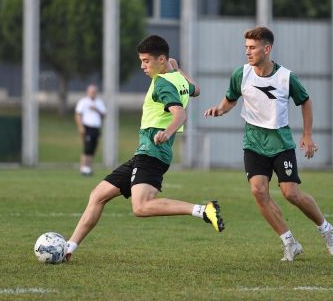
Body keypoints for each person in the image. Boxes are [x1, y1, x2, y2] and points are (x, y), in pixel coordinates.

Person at [64, 35, 224, 262]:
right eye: (141, 61)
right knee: (98, 195)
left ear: (161, 59)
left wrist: (166, 131)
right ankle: (68, 248)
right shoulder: (176, 79)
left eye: (146, 61)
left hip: (153, 153)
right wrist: (177, 69)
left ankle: (203, 210)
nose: (142, 66)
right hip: (144, 153)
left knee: (140, 207)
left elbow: (180, 114)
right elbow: (196, 90)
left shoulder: (162, 84)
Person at [203, 26, 333, 262]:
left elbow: (305, 101)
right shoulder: (241, 74)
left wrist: (307, 135)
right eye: (246, 47)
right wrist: (220, 109)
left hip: (281, 143)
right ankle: (289, 242)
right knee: (258, 190)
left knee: (291, 193)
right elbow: (231, 99)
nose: (247, 52)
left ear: (267, 49)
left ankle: (327, 231)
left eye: (252, 47)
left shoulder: (286, 77)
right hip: (253, 142)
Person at [74, 84, 106, 176]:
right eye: (91, 92)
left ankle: (89, 168)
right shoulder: (83, 102)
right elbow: (78, 114)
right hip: (87, 127)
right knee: (87, 148)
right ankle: (83, 168)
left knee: (93, 148)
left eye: (94, 92)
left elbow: (104, 113)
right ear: (88, 92)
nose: (93, 93)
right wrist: (80, 127)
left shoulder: (99, 102)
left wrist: (96, 109)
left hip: (96, 128)